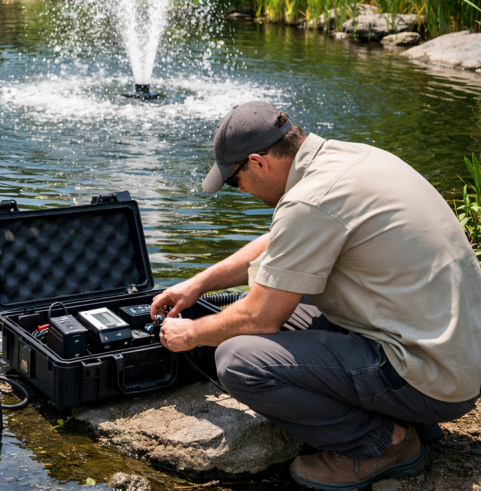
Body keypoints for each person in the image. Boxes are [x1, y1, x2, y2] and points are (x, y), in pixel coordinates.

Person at [150, 101, 481, 491]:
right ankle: (410, 419)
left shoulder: (309, 201)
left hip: (430, 379)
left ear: (258, 162)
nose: (237, 189)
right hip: (456, 358)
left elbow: (260, 319)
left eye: (234, 179)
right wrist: (198, 283)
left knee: (239, 359)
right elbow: (279, 242)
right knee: (293, 299)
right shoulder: (348, 159)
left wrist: (190, 334)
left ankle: (385, 444)